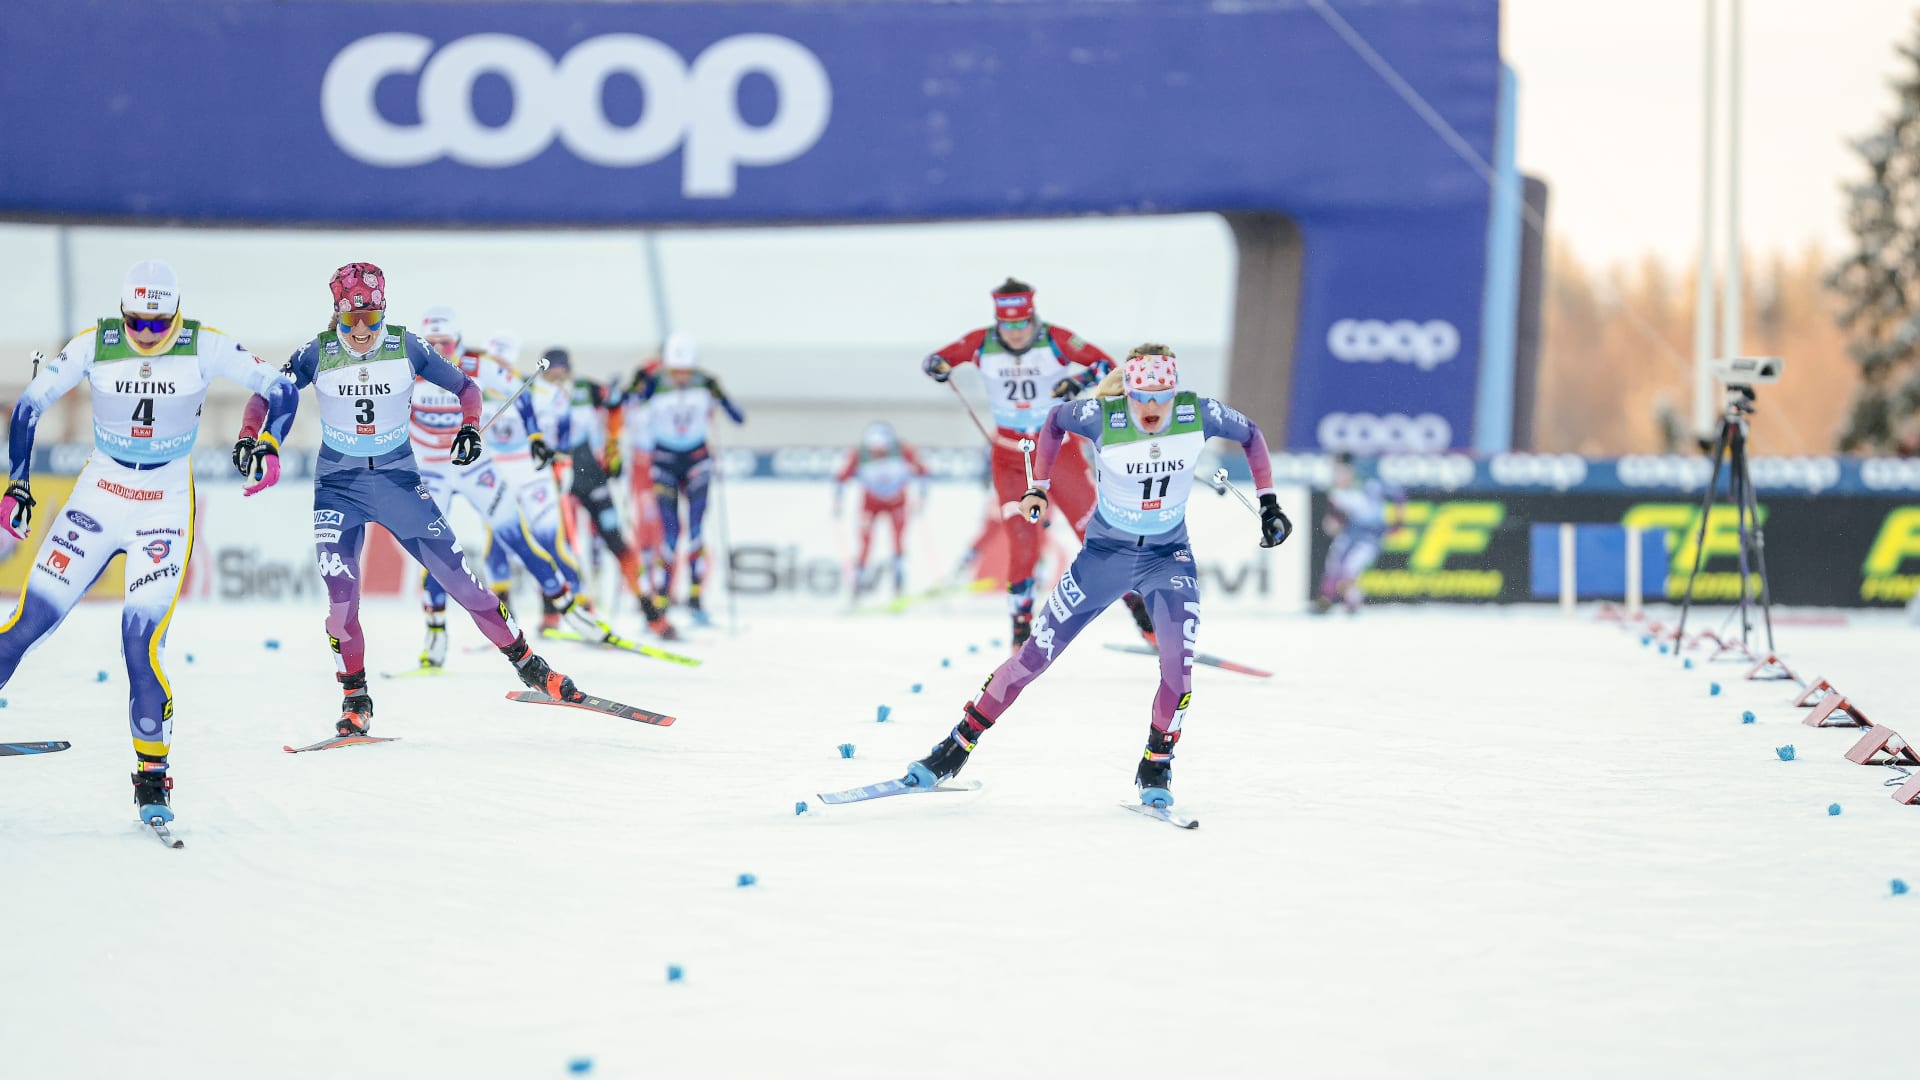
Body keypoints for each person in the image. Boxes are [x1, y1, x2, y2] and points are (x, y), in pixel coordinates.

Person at [904, 345, 1290, 809]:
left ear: (1175, 391)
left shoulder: (1197, 411)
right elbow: (1052, 424)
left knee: (1178, 674)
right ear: (1125, 390)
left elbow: (1252, 435)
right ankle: (955, 747)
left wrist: (1269, 503)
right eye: (1141, 397)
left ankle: (1156, 763)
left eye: (1162, 396)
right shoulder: (1098, 414)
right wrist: (1039, 488)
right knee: (1032, 660)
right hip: (1104, 558)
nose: (1151, 408)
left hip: (1168, 560)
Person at [0, 260, 297, 825]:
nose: (145, 334)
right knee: (25, 625)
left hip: (162, 505)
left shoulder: (203, 344)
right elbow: (31, 406)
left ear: (176, 315)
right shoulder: (96, 342)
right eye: (135, 321)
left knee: (139, 647)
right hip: (98, 494)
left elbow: (280, 389)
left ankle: (153, 776)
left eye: (158, 324)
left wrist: (270, 444)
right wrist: (18, 484)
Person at [237, 263, 589, 738]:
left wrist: (469, 427)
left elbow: (467, 387)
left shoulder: (406, 345)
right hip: (338, 489)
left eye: (371, 319)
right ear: (336, 315)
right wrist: (250, 435)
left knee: (464, 586)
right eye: (349, 320)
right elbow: (267, 394)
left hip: (399, 483)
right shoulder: (316, 352)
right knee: (341, 605)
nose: (361, 331)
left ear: (384, 311)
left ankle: (531, 666)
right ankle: (355, 698)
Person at [921, 277, 1158, 648]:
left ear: (1032, 317)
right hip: (1011, 458)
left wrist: (1077, 381)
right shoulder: (982, 342)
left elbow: (1108, 367)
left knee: (1096, 535)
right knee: (1022, 543)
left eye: (1022, 324)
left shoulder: (1056, 339)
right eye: (1008, 325)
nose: (1015, 334)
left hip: (1056, 450)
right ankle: (1021, 637)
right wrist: (936, 365)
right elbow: (941, 359)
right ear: (998, 322)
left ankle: (1145, 619)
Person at [406, 307, 612, 669]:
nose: (439, 352)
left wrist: (534, 436)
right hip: (432, 470)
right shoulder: (405, 365)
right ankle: (435, 631)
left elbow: (524, 391)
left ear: (459, 342)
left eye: (447, 344)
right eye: (432, 345)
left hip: (473, 468)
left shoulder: (477, 364)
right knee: (435, 549)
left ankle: (568, 608)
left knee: (517, 536)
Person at [538, 348, 678, 638]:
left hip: (590, 474)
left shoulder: (586, 389)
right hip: (554, 476)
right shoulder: (534, 393)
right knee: (558, 544)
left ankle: (652, 614)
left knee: (617, 541)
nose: (556, 379)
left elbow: (616, 404)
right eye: (550, 374)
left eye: (560, 372)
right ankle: (554, 614)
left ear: (569, 370)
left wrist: (613, 446)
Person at [632, 332, 745, 626]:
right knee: (670, 534)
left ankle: (696, 597)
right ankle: (663, 598)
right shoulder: (655, 382)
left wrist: (724, 402)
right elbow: (627, 402)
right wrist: (637, 381)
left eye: (686, 371)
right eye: (676, 371)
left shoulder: (706, 382)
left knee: (696, 531)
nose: (681, 377)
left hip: (697, 460)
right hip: (665, 461)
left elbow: (737, 416)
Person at [834, 421, 929, 600]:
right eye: (875, 451)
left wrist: (923, 498)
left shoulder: (904, 450)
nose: (879, 454)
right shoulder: (860, 453)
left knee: (898, 540)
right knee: (865, 541)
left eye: (882, 450)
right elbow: (840, 477)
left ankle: (899, 583)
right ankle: (857, 585)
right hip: (870, 503)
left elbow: (923, 472)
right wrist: (838, 501)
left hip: (897, 502)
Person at [1315, 452, 1403, 615]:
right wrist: (1333, 521)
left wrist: (1398, 522)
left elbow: (1398, 495)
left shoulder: (1369, 487)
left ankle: (1352, 601)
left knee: (1350, 569)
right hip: (1350, 535)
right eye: (1336, 472)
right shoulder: (1338, 493)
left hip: (1369, 538)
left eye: (1341, 472)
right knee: (1334, 564)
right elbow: (1335, 518)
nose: (1337, 476)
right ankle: (1326, 601)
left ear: (1350, 471)